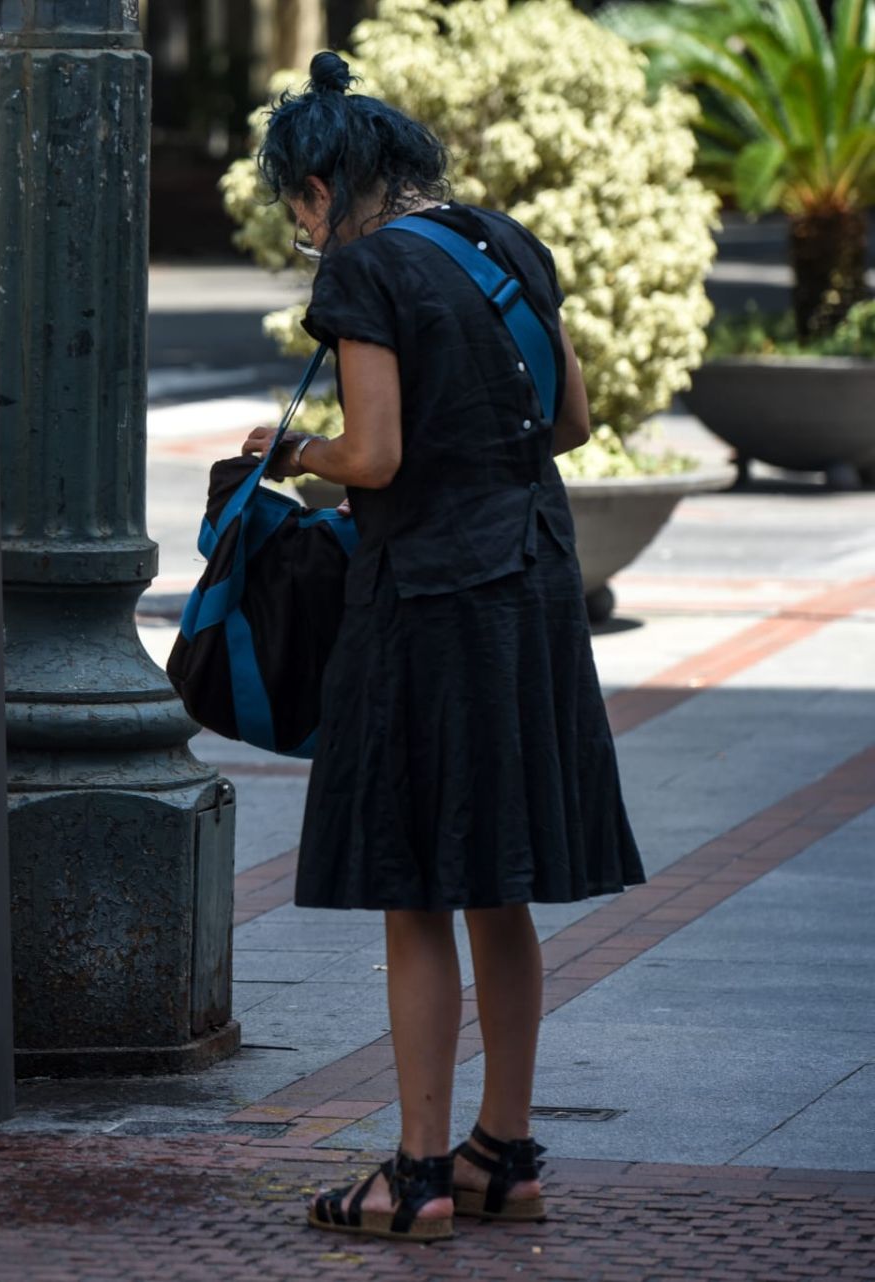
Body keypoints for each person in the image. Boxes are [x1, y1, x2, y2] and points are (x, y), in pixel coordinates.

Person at [237, 53, 645, 1243]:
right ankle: (500, 1151)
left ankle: (412, 1173)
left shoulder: (364, 270)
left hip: (425, 601)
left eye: (296, 209)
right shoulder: (507, 243)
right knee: (499, 881)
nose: (304, 230)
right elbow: (570, 419)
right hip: (532, 586)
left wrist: (288, 455)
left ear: (321, 190)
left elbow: (374, 456)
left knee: (413, 889)